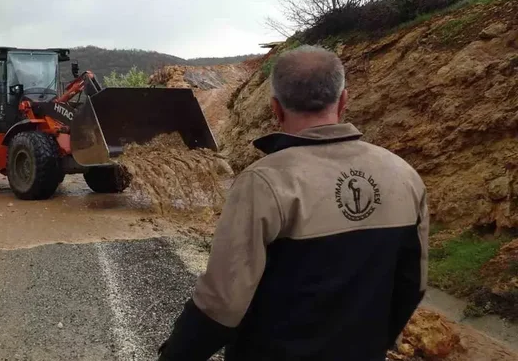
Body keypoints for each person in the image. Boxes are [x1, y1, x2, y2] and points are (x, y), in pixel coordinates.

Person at [158, 45, 429, 361]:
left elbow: (222, 303)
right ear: (343, 100)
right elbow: (413, 284)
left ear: (276, 107)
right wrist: (373, 344)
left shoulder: (264, 182)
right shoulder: (404, 175)